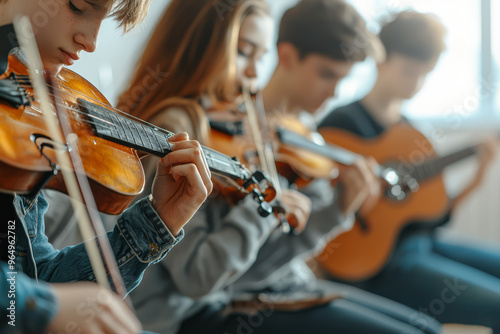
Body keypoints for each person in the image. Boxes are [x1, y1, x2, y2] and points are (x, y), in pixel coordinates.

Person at [118, 0, 441, 333]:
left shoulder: (256, 132)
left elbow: (256, 265)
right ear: (203, 47)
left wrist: (333, 210)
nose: (255, 76)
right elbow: (201, 278)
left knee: (426, 329)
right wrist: (267, 206)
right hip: (192, 315)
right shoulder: (178, 131)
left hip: (245, 295)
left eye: (261, 56)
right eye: (244, 52)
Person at [0, 0, 212, 333]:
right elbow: (31, 298)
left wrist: (156, 222)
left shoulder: (23, 106)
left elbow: (35, 276)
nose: (91, 42)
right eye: (79, 6)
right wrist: (37, 304)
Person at [319, 11, 500, 332]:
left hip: (423, 245)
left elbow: (434, 217)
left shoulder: (413, 134)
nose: (415, 83)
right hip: (379, 264)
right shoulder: (340, 125)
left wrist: (478, 177)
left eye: (424, 74)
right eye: (408, 71)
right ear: (380, 59)